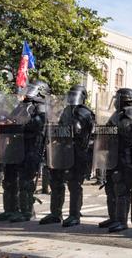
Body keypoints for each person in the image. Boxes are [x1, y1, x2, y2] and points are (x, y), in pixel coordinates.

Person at [0, 81, 49, 222]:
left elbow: (38, 124)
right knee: (9, 180)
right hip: (15, 146)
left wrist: (22, 123)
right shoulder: (22, 106)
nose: (29, 91)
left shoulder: (41, 106)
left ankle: (27, 211)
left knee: (25, 182)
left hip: (31, 147)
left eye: (33, 89)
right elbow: (11, 118)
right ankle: (10, 210)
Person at [39, 85, 95, 227]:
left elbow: (81, 131)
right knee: (56, 181)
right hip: (62, 150)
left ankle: (74, 215)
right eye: (70, 95)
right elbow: (59, 126)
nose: (71, 98)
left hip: (78, 152)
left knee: (74, 184)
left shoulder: (85, 112)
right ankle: (55, 213)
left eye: (74, 95)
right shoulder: (66, 110)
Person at [96, 88, 132, 233]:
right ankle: (114, 217)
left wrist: (115, 128)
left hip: (125, 154)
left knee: (121, 187)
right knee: (110, 187)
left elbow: (131, 134)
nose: (115, 100)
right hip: (112, 154)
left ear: (124, 99)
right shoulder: (118, 113)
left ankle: (122, 221)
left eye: (117, 98)